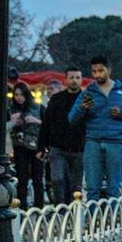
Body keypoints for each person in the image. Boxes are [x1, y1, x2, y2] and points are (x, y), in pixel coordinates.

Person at [67, 55, 122, 200]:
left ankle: (113, 220)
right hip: (93, 142)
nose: (97, 75)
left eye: (100, 71)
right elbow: (72, 119)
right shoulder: (88, 92)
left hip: (116, 142)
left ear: (109, 70)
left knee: (114, 187)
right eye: (94, 71)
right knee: (92, 187)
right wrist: (82, 108)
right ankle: (93, 219)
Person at [37, 67, 86, 204]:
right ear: (66, 80)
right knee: (57, 179)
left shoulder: (86, 100)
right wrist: (41, 146)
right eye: (71, 77)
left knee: (75, 184)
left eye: (77, 78)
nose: (74, 81)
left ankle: (72, 210)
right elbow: (46, 123)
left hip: (79, 147)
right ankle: (60, 209)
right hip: (58, 146)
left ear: (81, 80)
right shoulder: (57, 99)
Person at [9, 83, 45, 208]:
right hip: (19, 146)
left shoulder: (38, 108)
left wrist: (35, 121)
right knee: (22, 178)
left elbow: (48, 126)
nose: (19, 98)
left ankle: (39, 206)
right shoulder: (11, 109)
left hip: (36, 146)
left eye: (22, 95)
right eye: (17, 95)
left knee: (38, 178)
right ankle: (22, 207)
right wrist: (13, 122)